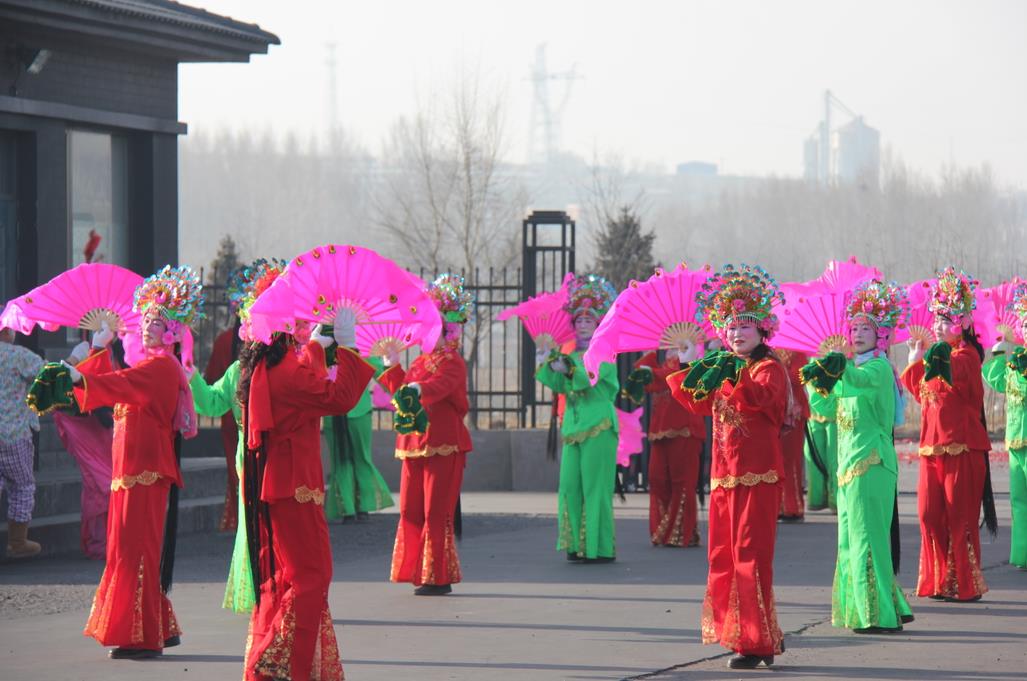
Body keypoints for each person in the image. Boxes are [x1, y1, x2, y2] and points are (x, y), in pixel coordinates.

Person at [67, 265, 203, 659]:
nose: (146, 327)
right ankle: (154, 626)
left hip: (145, 472)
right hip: (131, 473)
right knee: (129, 550)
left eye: (156, 322)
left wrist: (80, 377)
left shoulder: (161, 368)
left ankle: (143, 637)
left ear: (173, 331)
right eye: (144, 321)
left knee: (136, 551)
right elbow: (119, 383)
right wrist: (99, 349)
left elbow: (120, 385)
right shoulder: (150, 367)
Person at [240, 308, 374, 681]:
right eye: (298, 322)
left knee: (292, 578)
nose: (303, 327)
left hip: (287, 485)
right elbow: (338, 397)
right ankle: (277, 661)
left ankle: (281, 666)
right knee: (311, 578)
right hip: (293, 488)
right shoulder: (287, 372)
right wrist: (348, 347)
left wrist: (316, 347)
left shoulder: (275, 367)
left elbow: (305, 384)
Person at [668, 263, 788, 670]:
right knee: (725, 557)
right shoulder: (725, 366)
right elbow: (696, 401)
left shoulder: (769, 369)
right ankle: (747, 636)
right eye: (732, 327)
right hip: (724, 478)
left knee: (751, 557)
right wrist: (688, 364)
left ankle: (755, 642)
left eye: (745, 326)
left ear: (762, 330)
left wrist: (735, 374)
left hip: (758, 477)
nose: (737, 333)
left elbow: (764, 402)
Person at [805, 279, 914, 633]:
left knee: (868, 538)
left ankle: (877, 613)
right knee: (849, 541)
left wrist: (836, 366)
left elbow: (856, 382)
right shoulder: (851, 370)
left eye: (865, 328)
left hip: (872, 463)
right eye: (853, 328)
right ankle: (867, 608)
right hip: (849, 467)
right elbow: (824, 406)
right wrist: (816, 376)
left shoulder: (878, 369)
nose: (857, 334)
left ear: (881, 334)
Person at [189, 258, 285, 613]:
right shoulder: (238, 370)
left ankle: (281, 591)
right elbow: (212, 403)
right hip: (249, 456)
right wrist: (190, 374)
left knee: (280, 527)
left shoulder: (287, 367)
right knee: (250, 526)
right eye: (249, 322)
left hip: (281, 458)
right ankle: (257, 591)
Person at [378, 274, 473, 594]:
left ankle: (438, 576)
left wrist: (419, 388)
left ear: (448, 329)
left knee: (436, 512)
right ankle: (416, 571)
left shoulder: (453, 362)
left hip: (443, 444)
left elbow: (439, 387)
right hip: (413, 443)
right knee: (410, 510)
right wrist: (392, 366)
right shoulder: (420, 362)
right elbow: (403, 396)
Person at [900, 267, 990, 602]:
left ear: (964, 322)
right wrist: (914, 361)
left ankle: (963, 584)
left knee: (959, 517)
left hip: (962, 448)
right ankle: (939, 580)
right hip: (931, 449)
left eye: (946, 319)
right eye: (936, 318)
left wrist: (930, 358)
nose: (938, 325)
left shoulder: (967, 357)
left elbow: (953, 373)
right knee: (928, 515)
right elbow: (922, 393)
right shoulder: (938, 356)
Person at [536, 274, 620, 563]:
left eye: (589, 320)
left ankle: (599, 548)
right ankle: (574, 544)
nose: (583, 325)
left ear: (598, 324)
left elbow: (589, 377)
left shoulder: (605, 351)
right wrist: (546, 362)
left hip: (599, 425)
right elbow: (560, 385)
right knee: (569, 486)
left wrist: (569, 370)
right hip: (573, 426)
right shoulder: (570, 353)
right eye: (579, 320)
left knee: (596, 488)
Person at [631, 349, 705, 547]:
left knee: (682, 481)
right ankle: (664, 529)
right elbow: (645, 382)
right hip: (660, 428)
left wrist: (654, 371)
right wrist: (648, 355)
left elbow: (678, 379)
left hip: (685, 428)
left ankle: (680, 532)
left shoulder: (694, 356)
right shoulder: (661, 360)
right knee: (657, 479)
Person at [982, 282, 1027, 570]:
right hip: (1015, 442)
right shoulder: (1016, 362)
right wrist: (998, 354)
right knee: (1018, 501)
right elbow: (997, 381)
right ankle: (1022, 554)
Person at [324, 353, 394, 522]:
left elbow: (387, 380)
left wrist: (389, 365)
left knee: (352, 460)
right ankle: (355, 508)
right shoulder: (328, 350)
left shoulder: (358, 352)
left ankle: (355, 507)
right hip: (342, 412)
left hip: (347, 411)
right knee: (349, 460)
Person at [0, 325, 44, 558]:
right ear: (7, 331)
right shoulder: (17, 355)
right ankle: (17, 541)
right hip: (13, 434)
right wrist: (75, 358)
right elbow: (47, 374)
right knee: (22, 485)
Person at [776, 349, 810, 522]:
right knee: (773, 462)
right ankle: (776, 506)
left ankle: (792, 506)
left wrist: (776, 372)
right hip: (771, 412)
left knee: (790, 460)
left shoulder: (796, 350)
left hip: (793, 414)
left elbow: (801, 377)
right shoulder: (763, 349)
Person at [805, 383, 838, 512]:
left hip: (835, 411)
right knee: (813, 457)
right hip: (814, 411)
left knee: (834, 458)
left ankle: (836, 500)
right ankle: (817, 499)